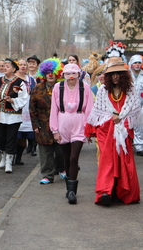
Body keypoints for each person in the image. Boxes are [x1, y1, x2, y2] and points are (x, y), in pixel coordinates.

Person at [85, 59, 142, 206]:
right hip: (106, 130)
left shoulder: (131, 90)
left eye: (118, 73)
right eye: (112, 74)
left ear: (123, 75)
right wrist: (112, 119)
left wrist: (121, 118)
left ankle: (123, 192)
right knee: (107, 161)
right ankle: (106, 192)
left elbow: (135, 111)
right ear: (108, 76)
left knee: (124, 162)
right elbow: (98, 111)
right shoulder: (103, 90)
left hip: (124, 132)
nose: (115, 76)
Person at [50, 63, 94, 204]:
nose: (71, 77)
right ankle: (68, 187)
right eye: (68, 74)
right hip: (63, 122)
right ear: (63, 75)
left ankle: (72, 191)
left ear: (78, 75)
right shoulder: (58, 87)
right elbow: (54, 110)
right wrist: (55, 130)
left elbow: (89, 108)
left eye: (74, 74)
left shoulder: (85, 87)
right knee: (67, 158)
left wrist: (89, 129)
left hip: (79, 122)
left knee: (74, 158)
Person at [0, 58, 28, 173]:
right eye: (4, 66)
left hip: (13, 116)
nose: (5, 68)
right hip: (0, 115)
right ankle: (3, 156)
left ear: (14, 69)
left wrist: (12, 100)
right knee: (0, 138)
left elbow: (23, 98)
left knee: (11, 139)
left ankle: (9, 162)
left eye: (7, 66)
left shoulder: (19, 82)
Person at [30, 58, 65, 184]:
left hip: (61, 124)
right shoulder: (37, 89)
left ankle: (62, 169)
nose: (50, 75)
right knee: (45, 152)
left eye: (53, 72)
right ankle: (47, 175)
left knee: (61, 150)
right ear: (44, 74)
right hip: (43, 125)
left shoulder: (63, 88)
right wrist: (35, 124)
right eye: (48, 72)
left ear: (58, 73)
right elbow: (32, 108)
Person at [15, 58, 36, 165]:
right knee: (15, 135)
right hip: (16, 109)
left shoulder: (31, 79)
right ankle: (10, 155)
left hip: (27, 110)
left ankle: (18, 157)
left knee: (23, 135)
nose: (23, 67)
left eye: (24, 65)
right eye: (20, 65)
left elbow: (35, 93)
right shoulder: (13, 79)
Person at [26, 54, 41, 155]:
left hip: (37, 102)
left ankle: (34, 145)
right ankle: (29, 143)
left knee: (35, 123)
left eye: (34, 63)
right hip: (26, 103)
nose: (31, 65)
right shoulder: (25, 76)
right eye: (30, 63)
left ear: (37, 65)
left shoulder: (40, 77)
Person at [128, 55, 143, 156]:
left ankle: (139, 146)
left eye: (139, 63)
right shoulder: (127, 76)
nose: (137, 65)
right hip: (128, 106)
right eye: (135, 63)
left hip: (140, 105)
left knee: (140, 126)